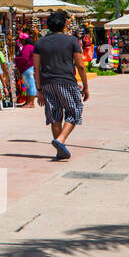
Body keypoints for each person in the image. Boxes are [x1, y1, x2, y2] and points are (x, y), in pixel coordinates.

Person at [33, 10, 89, 161]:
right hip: (66, 81)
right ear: (64, 25)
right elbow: (80, 65)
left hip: (47, 83)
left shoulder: (40, 43)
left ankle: (59, 151)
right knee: (75, 110)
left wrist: (38, 90)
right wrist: (86, 86)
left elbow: (36, 69)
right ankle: (61, 140)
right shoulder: (71, 41)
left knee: (54, 116)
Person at [14, 32, 37, 108]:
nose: (20, 42)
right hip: (29, 68)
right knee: (29, 86)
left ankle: (31, 103)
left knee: (30, 85)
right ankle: (28, 102)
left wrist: (15, 59)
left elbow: (24, 58)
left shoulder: (27, 47)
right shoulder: (30, 47)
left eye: (21, 40)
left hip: (28, 68)